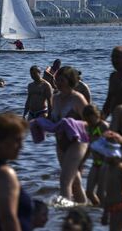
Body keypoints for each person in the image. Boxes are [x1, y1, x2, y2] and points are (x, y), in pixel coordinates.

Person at [52, 66, 88, 203]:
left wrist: (72, 123)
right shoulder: (54, 98)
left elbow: (92, 122)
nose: (58, 83)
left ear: (70, 81)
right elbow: (53, 120)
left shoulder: (78, 99)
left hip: (78, 142)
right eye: (56, 80)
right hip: (60, 143)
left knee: (64, 179)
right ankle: (84, 209)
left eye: (61, 80)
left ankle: (62, 213)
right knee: (75, 182)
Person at [90, 138, 122, 231]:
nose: (105, 157)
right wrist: (105, 213)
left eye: (107, 155)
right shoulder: (107, 169)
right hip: (112, 208)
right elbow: (107, 193)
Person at [83, 105, 109, 206]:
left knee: (101, 193)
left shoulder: (104, 126)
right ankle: (97, 212)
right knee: (89, 192)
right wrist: (81, 163)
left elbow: (111, 147)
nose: (89, 121)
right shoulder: (89, 127)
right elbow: (89, 147)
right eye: (86, 119)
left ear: (96, 115)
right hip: (95, 163)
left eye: (90, 118)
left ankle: (105, 215)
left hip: (105, 164)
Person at [103, 46, 122, 119]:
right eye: (112, 57)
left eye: (117, 57)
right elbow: (108, 101)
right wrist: (100, 121)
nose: (114, 60)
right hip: (115, 120)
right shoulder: (113, 77)